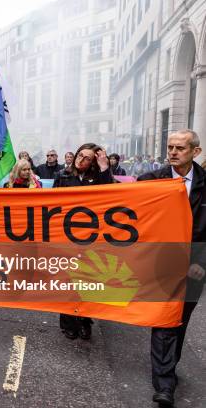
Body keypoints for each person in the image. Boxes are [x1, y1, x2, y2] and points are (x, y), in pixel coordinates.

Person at [138, 130, 205, 407]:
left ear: (195, 152)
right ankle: (164, 382)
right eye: (170, 147)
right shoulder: (149, 182)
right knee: (165, 321)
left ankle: (168, 366)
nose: (173, 152)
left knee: (180, 322)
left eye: (180, 147)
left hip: (194, 269)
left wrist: (202, 263)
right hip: (161, 266)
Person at [53, 143, 113, 340]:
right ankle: (68, 323)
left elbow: (110, 196)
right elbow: (51, 204)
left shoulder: (98, 177)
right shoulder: (63, 175)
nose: (81, 159)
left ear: (93, 161)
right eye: (80, 155)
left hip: (90, 237)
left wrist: (105, 168)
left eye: (87, 158)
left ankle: (86, 320)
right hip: (66, 236)